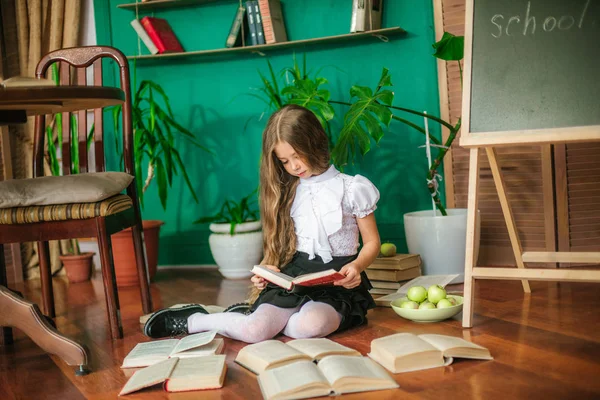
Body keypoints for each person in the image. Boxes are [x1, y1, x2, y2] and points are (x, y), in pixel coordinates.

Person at [144, 104, 381, 343]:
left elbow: (372, 242)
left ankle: (252, 319)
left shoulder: (353, 188)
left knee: (310, 326)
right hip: (296, 277)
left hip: (337, 280)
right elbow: (280, 248)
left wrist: (357, 266)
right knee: (255, 332)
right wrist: (267, 272)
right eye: (285, 161)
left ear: (315, 143)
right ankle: (194, 320)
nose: (294, 167)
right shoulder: (289, 191)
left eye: (297, 156)